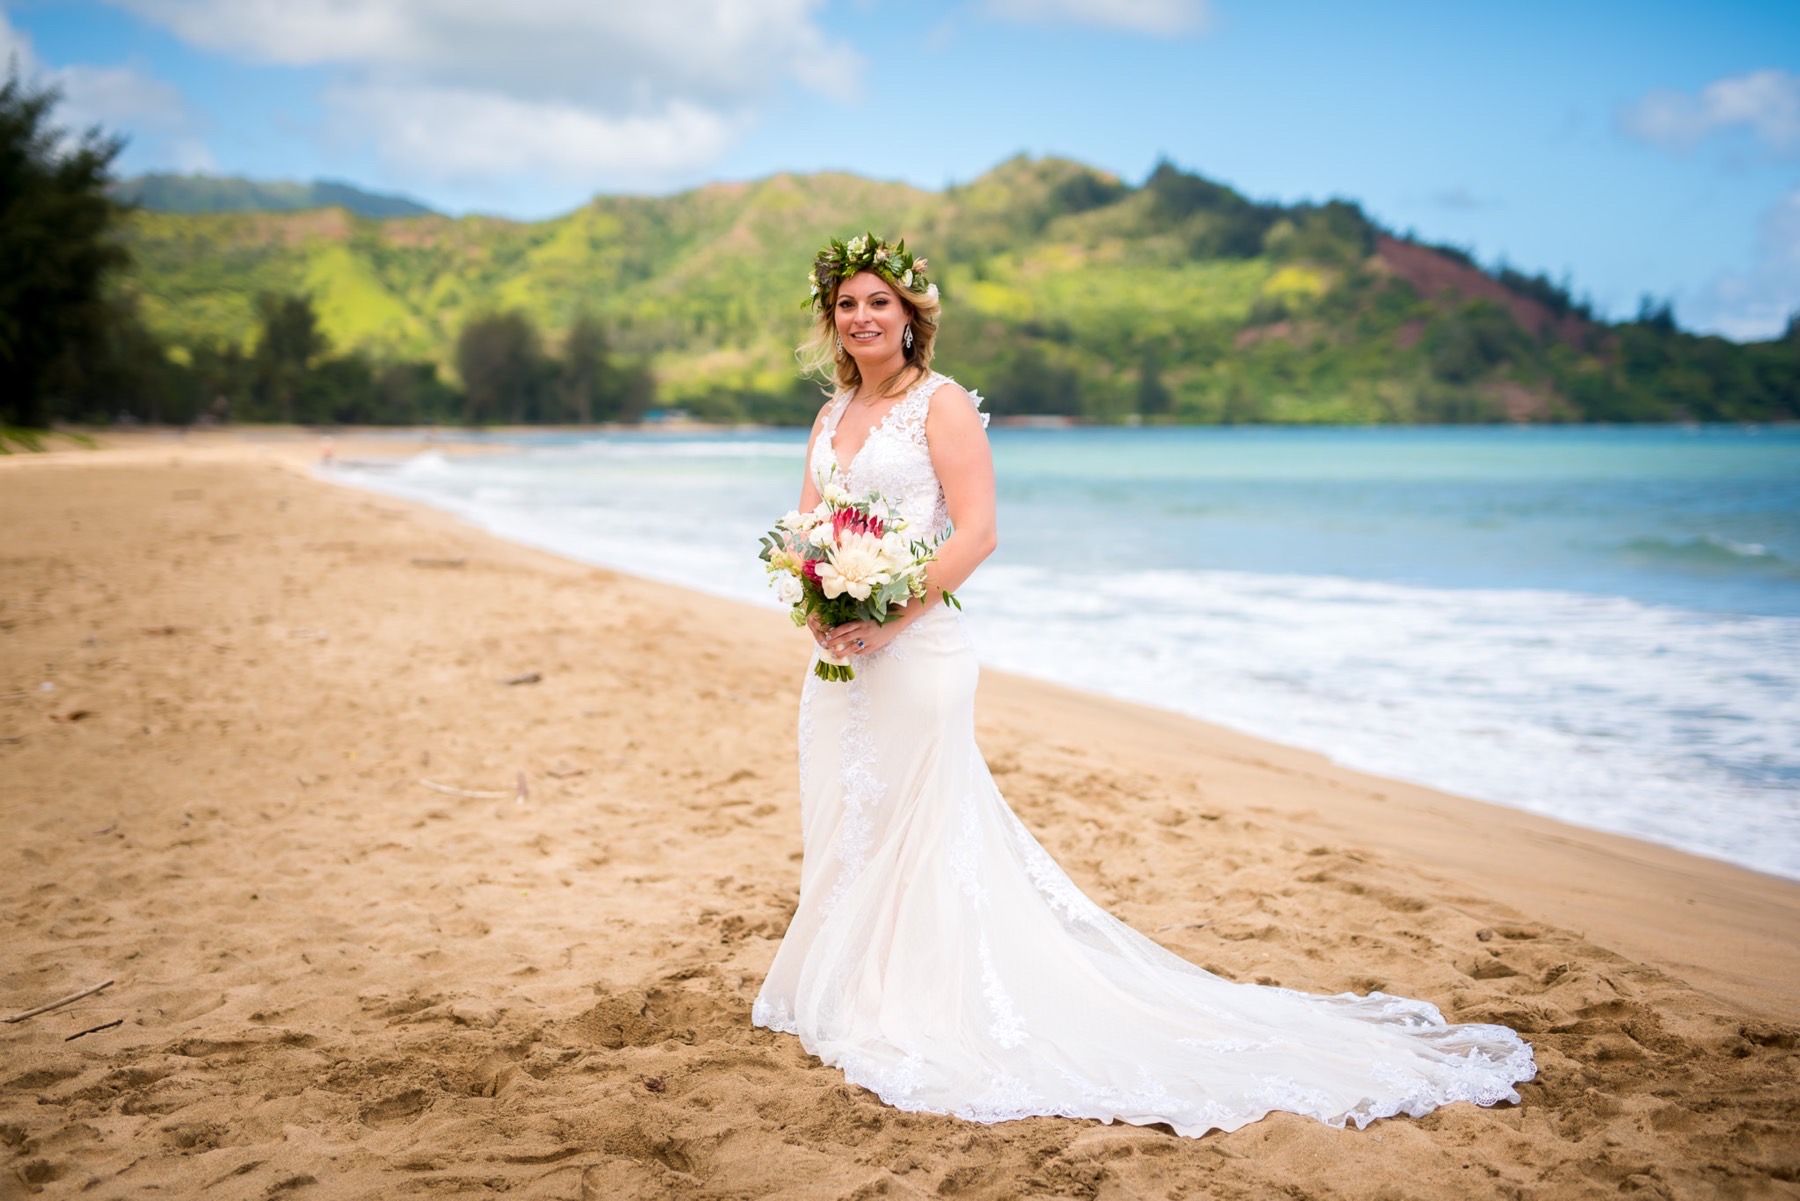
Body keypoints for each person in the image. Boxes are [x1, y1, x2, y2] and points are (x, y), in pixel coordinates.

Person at [751, 232, 1536, 1136]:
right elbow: (806, 528)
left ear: (910, 313)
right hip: (841, 657)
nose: (861, 318)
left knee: (923, 821)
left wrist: (890, 614)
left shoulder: (944, 404)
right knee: (851, 810)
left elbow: (976, 534)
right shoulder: (828, 415)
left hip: (918, 649)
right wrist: (815, 599)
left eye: (878, 302)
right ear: (832, 320)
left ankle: (919, 997)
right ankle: (851, 983)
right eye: (847, 305)